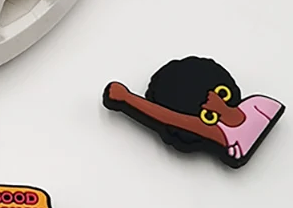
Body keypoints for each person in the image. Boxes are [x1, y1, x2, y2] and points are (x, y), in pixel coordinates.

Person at [103, 56, 283, 168]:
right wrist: (127, 98)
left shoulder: (257, 105)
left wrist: (126, 97)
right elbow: (170, 117)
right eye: (204, 107)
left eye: (215, 94)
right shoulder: (220, 134)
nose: (211, 102)